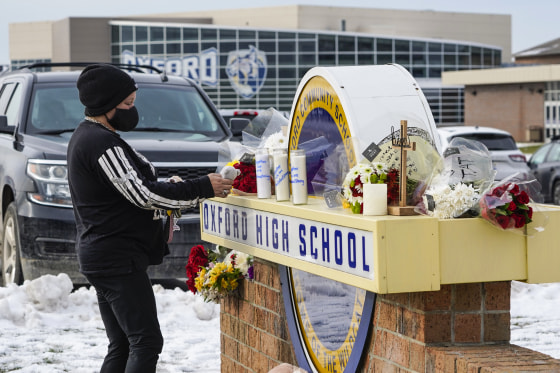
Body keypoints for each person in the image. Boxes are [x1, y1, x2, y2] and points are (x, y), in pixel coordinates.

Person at [67, 63, 233, 372]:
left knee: (124, 344)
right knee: (145, 342)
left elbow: (127, 191)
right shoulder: (100, 143)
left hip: (104, 255)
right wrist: (202, 187)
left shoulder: (92, 136)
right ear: (106, 104)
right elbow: (143, 196)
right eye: (127, 104)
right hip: (115, 257)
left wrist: (177, 189)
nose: (133, 110)